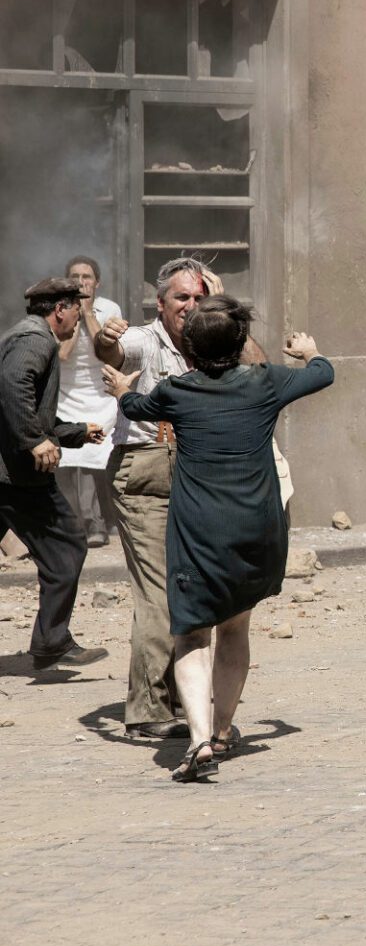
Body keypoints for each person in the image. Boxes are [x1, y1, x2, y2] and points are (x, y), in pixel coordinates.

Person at [108, 298, 331, 780]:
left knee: (191, 631)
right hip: (257, 527)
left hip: (199, 529)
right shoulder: (265, 381)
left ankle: (200, 739)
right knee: (235, 628)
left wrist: (123, 389)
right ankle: (226, 731)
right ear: (240, 345)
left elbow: (135, 406)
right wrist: (308, 352)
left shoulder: (176, 392)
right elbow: (324, 373)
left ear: (188, 350)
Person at [93, 257, 208, 738]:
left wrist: (220, 309)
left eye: (199, 297)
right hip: (144, 467)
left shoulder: (211, 337)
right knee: (159, 593)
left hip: (194, 471)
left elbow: (257, 364)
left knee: (192, 588)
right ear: (161, 304)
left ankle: (181, 695)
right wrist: (105, 336)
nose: (191, 306)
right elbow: (112, 352)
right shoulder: (144, 339)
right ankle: (147, 710)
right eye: (182, 298)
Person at [0, 278, 110, 671]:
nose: (79, 316)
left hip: (8, 473)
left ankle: (51, 639)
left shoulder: (26, 336)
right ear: (60, 309)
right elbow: (12, 389)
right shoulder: (36, 339)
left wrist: (76, 432)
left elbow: (30, 409)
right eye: (76, 308)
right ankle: (52, 640)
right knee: (67, 546)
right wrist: (34, 441)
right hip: (16, 476)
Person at [54, 256, 121, 550]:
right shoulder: (57, 310)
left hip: (100, 394)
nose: (81, 282)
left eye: (87, 277)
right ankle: (81, 523)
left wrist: (89, 313)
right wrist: (75, 316)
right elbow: (62, 354)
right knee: (70, 459)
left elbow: (105, 352)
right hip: (67, 394)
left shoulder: (110, 309)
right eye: (75, 277)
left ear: (97, 282)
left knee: (96, 455)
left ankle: (100, 520)